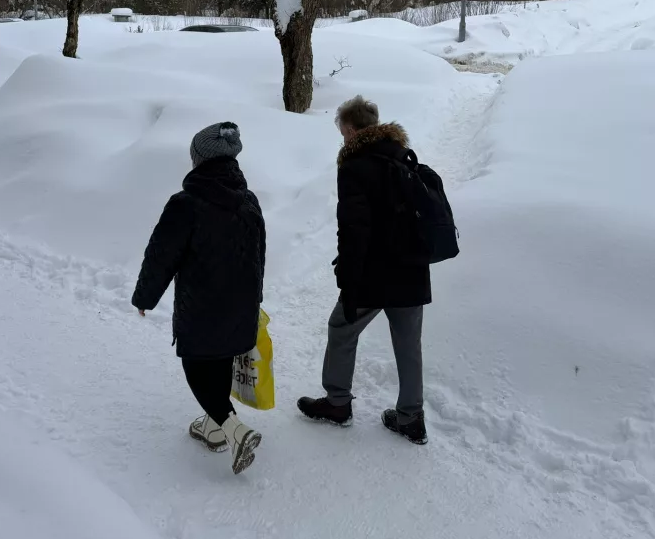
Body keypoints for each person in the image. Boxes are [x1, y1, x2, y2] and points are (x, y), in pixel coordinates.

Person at [132, 122, 267, 474]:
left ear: (199, 159)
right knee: (219, 360)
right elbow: (259, 253)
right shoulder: (248, 199)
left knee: (195, 364)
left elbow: (162, 254)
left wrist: (145, 297)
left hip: (203, 307)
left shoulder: (186, 203)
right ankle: (214, 429)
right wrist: (256, 298)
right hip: (241, 304)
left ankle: (234, 430)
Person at [297, 96, 431, 445]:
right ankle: (411, 417)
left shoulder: (354, 165)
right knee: (408, 343)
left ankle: (338, 403)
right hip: (412, 267)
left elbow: (355, 229)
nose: (342, 138)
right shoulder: (403, 156)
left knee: (341, 327)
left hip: (376, 272)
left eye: (342, 131)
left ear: (352, 129)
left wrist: (348, 276)